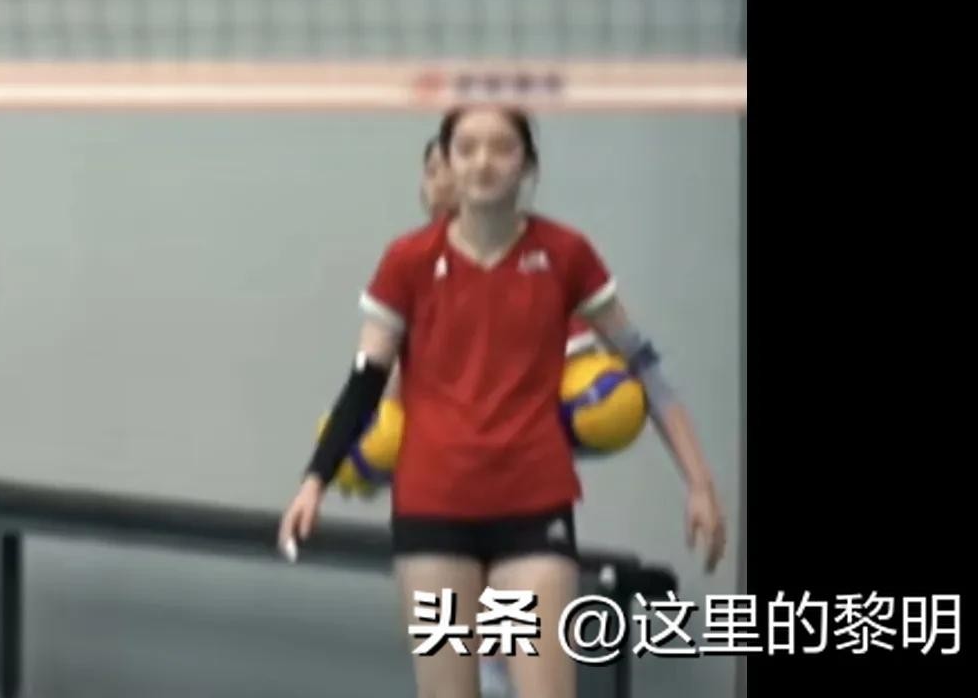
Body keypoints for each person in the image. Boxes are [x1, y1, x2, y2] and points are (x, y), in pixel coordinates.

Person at [284, 106, 728, 698]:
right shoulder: (407, 261)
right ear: (447, 163)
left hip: (532, 507)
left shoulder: (566, 254)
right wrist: (314, 481)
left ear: (528, 165)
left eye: (501, 147)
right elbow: (366, 381)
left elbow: (643, 364)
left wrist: (699, 483)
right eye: (466, 148)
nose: (483, 162)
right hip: (434, 510)